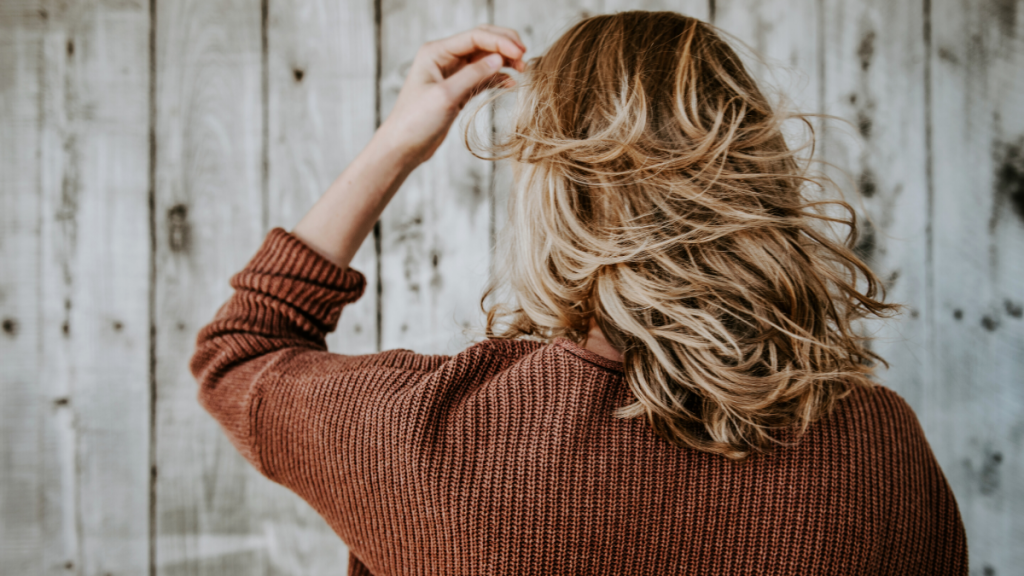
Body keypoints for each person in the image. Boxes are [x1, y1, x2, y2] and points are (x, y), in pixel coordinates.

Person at [190, 11, 967, 575]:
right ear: (760, 178)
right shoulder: (882, 450)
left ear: (555, 199)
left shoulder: (435, 435)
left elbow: (242, 349)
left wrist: (399, 141)